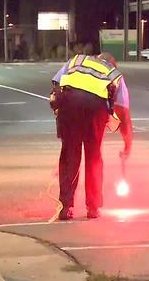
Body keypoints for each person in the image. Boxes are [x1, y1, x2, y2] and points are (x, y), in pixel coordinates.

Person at [50, 51, 133, 220]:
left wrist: (59, 108)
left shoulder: (77, 60)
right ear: (113, 63)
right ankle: (93, 208)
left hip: (69, 104)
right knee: (93, 156)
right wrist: (127, 144)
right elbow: (123, 113)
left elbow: (56, 83)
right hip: (95, 109)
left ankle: (65, 207)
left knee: (69, 156)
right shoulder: (113, 73)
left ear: (96, 57)